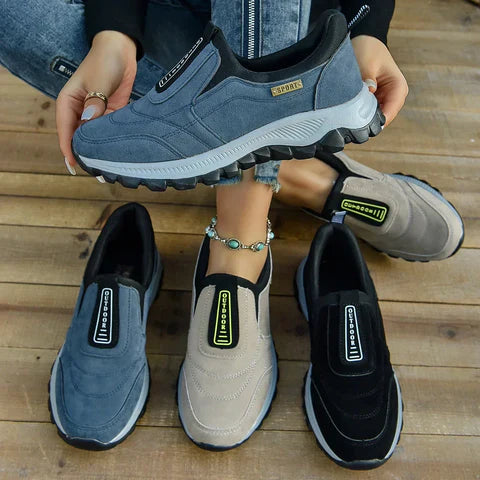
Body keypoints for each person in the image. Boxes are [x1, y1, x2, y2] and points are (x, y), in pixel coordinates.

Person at [0, 0, 463, 452]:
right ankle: (300, 174)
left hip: (293, 22)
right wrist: (114, 32)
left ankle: (240, 241)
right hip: (188, 39)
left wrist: (366, 25)